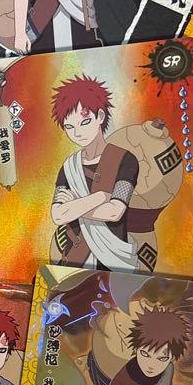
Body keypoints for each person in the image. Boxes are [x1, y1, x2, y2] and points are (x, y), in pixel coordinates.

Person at [49, 76, 140, 271]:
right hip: (74, 260)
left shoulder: (125, 159)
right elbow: (57, 215)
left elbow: (114, 212)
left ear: (100, 116)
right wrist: (100, 197)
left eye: (85, 122)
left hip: (114, 262)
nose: (77, 133)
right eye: (69, 127)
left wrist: (74, 205)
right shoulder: (69, 166)